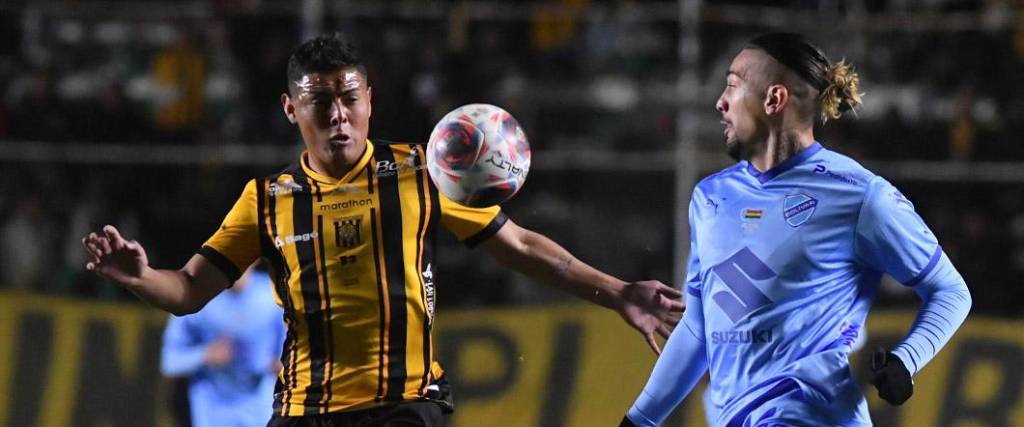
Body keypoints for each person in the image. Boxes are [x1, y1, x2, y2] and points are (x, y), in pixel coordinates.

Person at [81, 33, 682, 427]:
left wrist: (619, 291)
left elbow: (522, 246)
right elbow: (186, 292)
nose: (338, 114)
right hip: (303, 411)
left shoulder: (425, 170)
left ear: (370, 97)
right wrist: (140, 277)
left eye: (349, 97)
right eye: (320, 101)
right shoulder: (265, 200)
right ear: (292, 109)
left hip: (405, 407)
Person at [620, 33, 972, 427]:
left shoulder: (858, 195)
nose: (720, 101)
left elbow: (950, 290)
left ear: (774, 100)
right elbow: (700, 329)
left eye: (733, 85)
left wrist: (907, 360)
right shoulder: (711, 197)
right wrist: (640, 420)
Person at [160, 263, 286, 427]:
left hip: (259, 402)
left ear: (255, 259)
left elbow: (288, 354)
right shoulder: (195, 297)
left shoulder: (273, 296)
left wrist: (281, 363)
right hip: (213, 404)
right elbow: (170, 362)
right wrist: (206, 355)